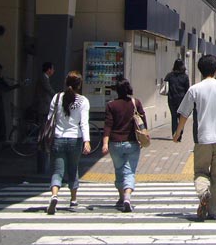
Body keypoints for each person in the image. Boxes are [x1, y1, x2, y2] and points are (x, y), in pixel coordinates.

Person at [173, 54, 216, 220]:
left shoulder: (195, 89)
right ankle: (213, 211)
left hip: (202, 139)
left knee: (200, 171)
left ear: (200, 70)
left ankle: (203, 192)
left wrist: (178, 132)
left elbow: (184, 113)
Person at [45, 71, 91, 215]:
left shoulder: (57, 98)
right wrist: (87, 141)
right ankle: (73, 199)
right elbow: (84, 123)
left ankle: (54, 195)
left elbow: (49, 119)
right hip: (74, 139)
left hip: (58, 138)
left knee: (57, 171)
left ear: (66, 83)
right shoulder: (82, 101)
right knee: (73, 169)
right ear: (79, 85)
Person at [102, 79, 147, 212]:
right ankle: (127, 196)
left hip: (115, 143)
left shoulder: (111, 105)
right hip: (132, 142)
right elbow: (143, 121)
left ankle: (121, 197)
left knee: (119, 170)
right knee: (129, 172)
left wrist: (105, 143)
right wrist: (144, 136)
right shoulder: (135, 103)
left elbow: (108, 125)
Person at [163, 59, 190, 138]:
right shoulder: (185, 77)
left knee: (174, 117)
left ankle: (174, 134)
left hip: (172, 99)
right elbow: (187, 89)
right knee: (181, 117)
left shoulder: (169, 75)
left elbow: (165, 86)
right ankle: (180, 134)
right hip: (182, 99)